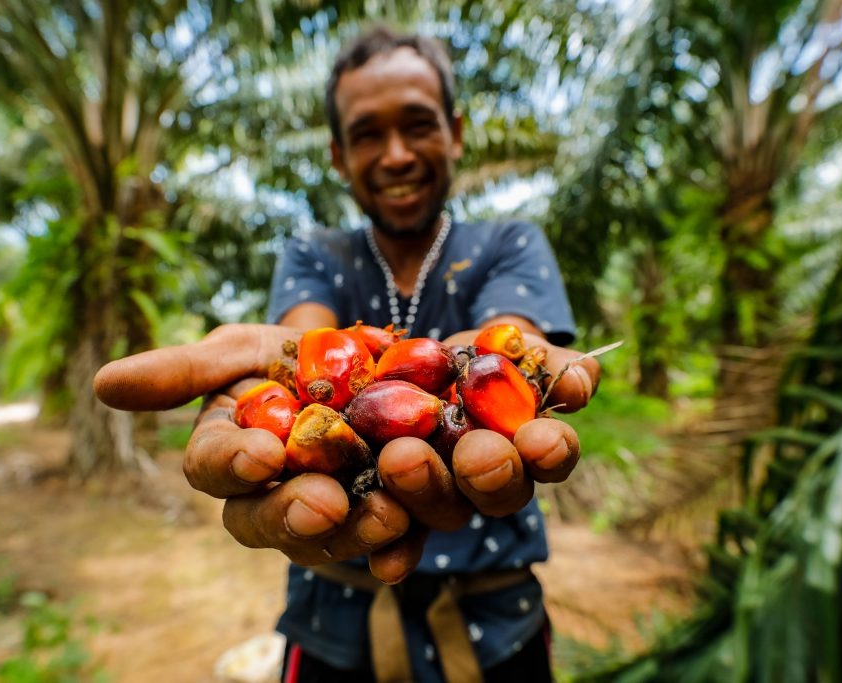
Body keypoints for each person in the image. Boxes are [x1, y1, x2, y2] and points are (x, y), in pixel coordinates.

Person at [94, 26, 600, 683]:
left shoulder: (508, 242)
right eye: (367, 134)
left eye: (417, 125)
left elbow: (503, 342)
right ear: (338, 154)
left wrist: (500, 362)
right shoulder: (316, 254)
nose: (395, 155)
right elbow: (310, 348)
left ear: (455, 132)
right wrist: (290, 372)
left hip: (495, 624)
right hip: (336, 626)